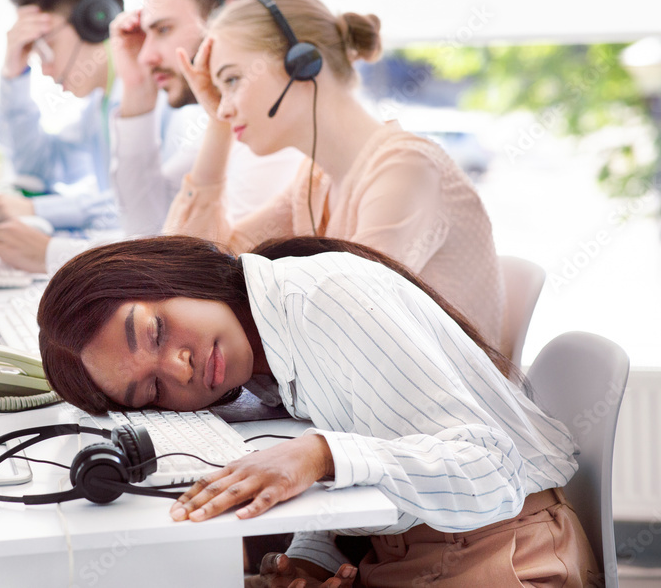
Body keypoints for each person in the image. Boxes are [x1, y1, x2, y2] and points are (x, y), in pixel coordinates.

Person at [36, 235, 599, 587]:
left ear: (173, 274)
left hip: (511, 558)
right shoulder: (266, 361)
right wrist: (311, 558)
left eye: (155, 331)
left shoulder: (323, 300)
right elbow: (379, 452)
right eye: (152, 392)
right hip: (408, 555)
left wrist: (319, 454)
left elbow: (491, 472)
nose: (180, 369)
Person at [164, 0, 506, 353]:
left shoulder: (405, 171)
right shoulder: (315, 182)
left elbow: (351, 321)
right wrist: (217, 128)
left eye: (231, 81)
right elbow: (199, 269)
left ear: (302, 63)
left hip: (443, 409)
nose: (225, 107)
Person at [108, 0, 306, 239]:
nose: (146, 55)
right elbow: (144, 227)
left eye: (163, 30)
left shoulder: (271, 131)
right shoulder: (220, 124)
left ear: (228, 18)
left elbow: (215, 272)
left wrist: (50, 254)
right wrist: (137, 88)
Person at [0, 0, 123, 269]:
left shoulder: (160, 99)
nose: (44, 68)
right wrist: (13, 73)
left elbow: (144, 212)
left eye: (46, 47)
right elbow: (38, 166)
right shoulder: (100, 108)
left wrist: (36, 210)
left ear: (96, 20)